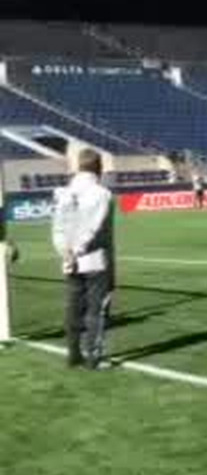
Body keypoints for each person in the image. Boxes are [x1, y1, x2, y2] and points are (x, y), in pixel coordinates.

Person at [52, 149, 116, 369]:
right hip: (94, 257)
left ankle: (73, 354)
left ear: (79, 166)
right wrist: (78, 249)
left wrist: (65, 252)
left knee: (73, 306)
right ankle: (93, 357)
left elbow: (59, 227)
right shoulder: (101, 193)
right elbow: (92, 227)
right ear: (98, 167)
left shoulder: (65, 192)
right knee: (96, 309)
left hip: (70, 257)